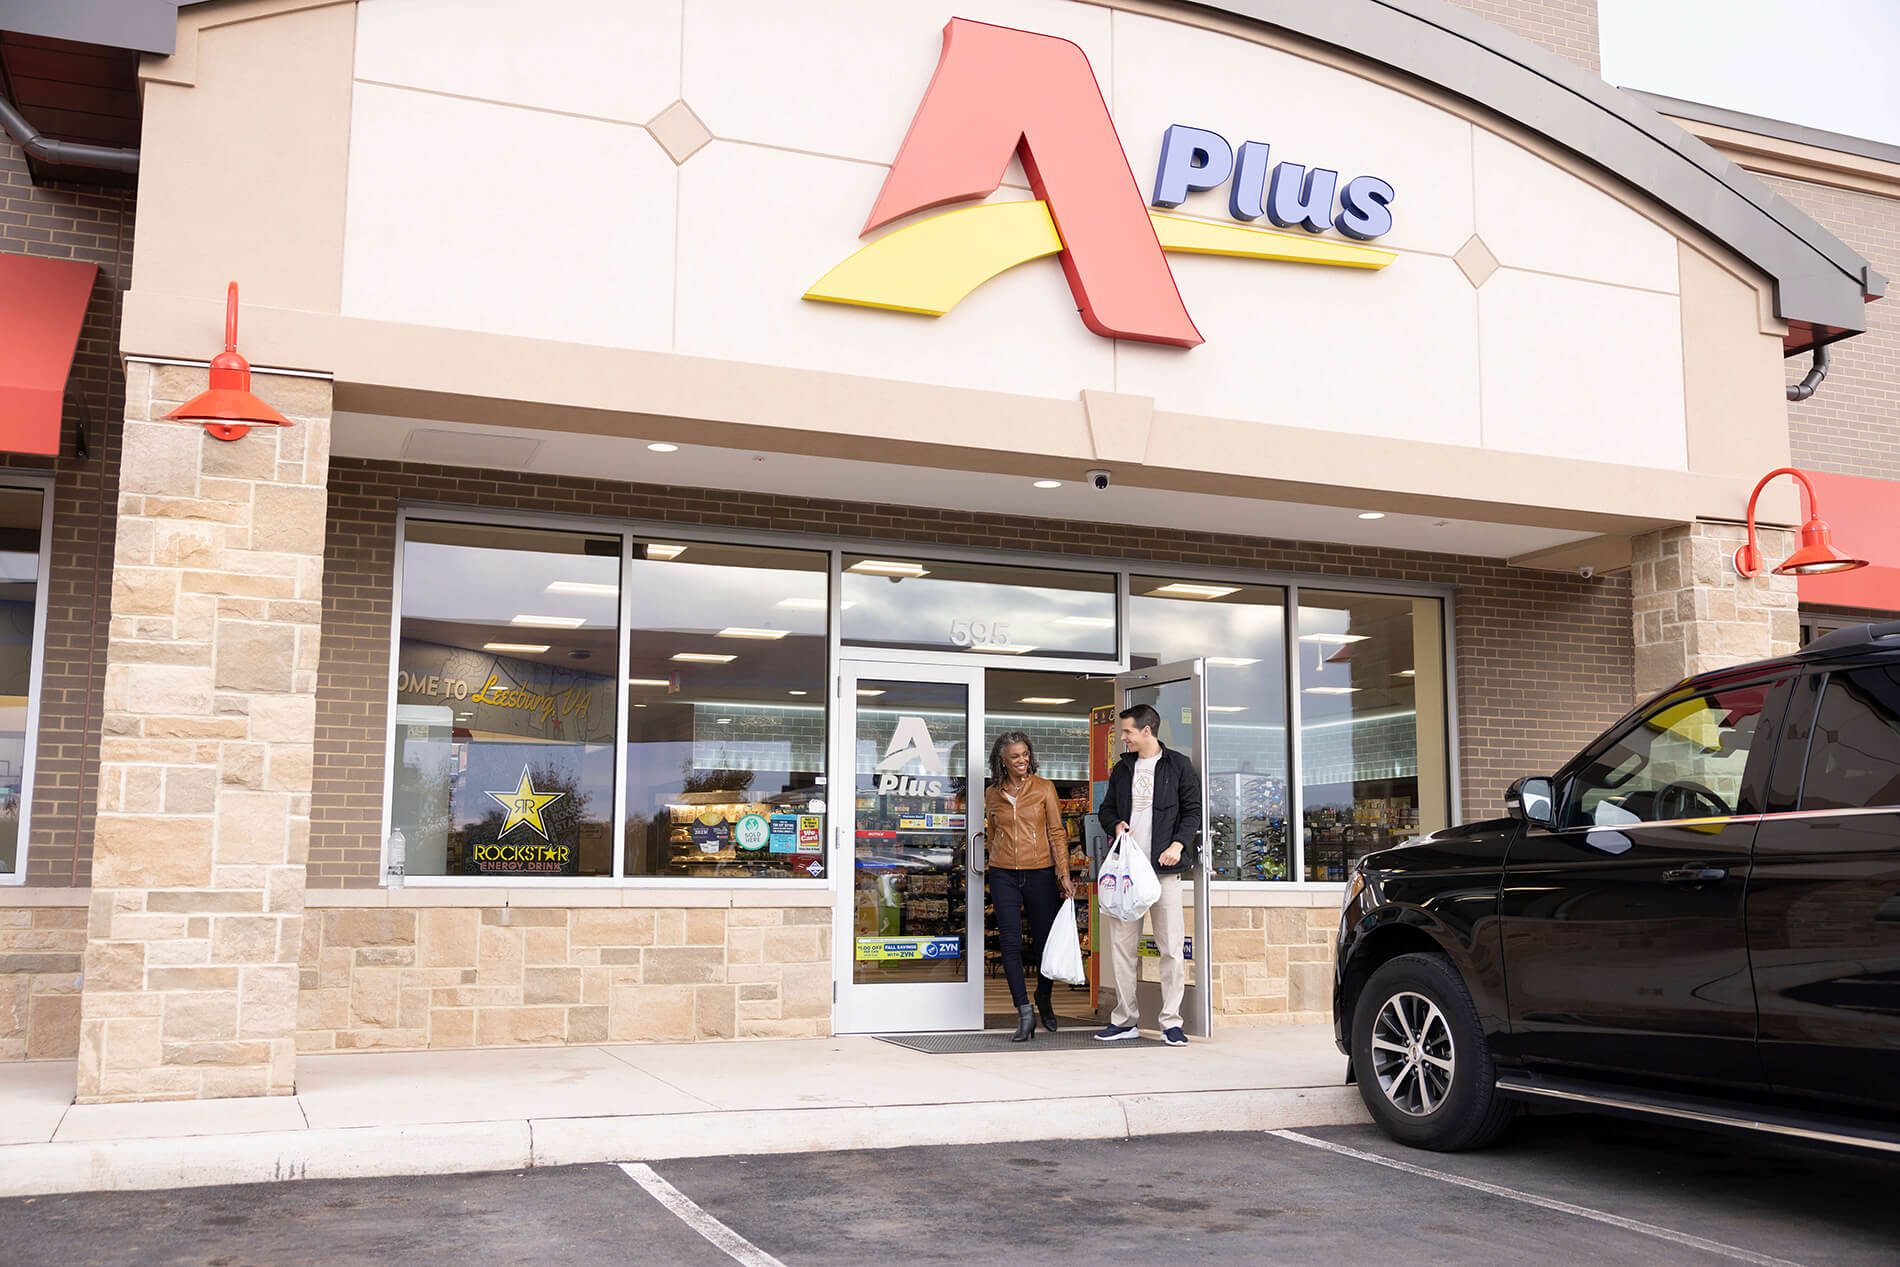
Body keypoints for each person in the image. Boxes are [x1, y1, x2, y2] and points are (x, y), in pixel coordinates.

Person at [1095, 703, 1202, 1046]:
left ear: (1146, 730)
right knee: (1122, 949)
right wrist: (1116, 823)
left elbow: (1192, 812)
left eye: (1126, 731)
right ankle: (1125, 1020)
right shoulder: (1123, 768)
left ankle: (1171, 1022)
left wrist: (1178, 845)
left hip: (1165, 871)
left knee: (1170, 948)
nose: (1122, 738)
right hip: (1128, 873)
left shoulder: (1178, 766)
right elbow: (1106, 809)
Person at [983, 731, 1076, 1042]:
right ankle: (1023, 1012)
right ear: (1002, 761)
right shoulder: (992, 793)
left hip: (1039, 872)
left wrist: (1063, 873)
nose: (1022, 760)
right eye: (1015, 756)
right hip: (1003, 873)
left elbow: (1056, 832)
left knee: (1043, 944)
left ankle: (1044, 997)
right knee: (1009, 943)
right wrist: (992, 859)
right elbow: (993, 831)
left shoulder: (1044, 788)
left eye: (1025, 754)